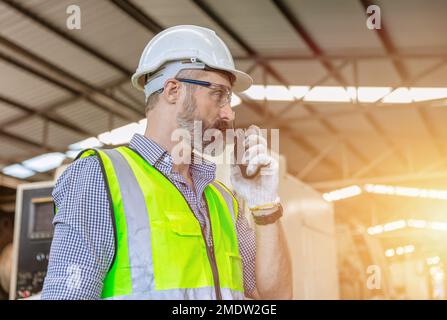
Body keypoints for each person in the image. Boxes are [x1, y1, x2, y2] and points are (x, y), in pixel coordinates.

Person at [42, 25, 292, 300]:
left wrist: (264, 205)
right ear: (173, 90)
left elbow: (272, 298)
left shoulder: (222, 200)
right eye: (219, 94)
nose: (229, 113)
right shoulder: (99, 176)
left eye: (229, 98)